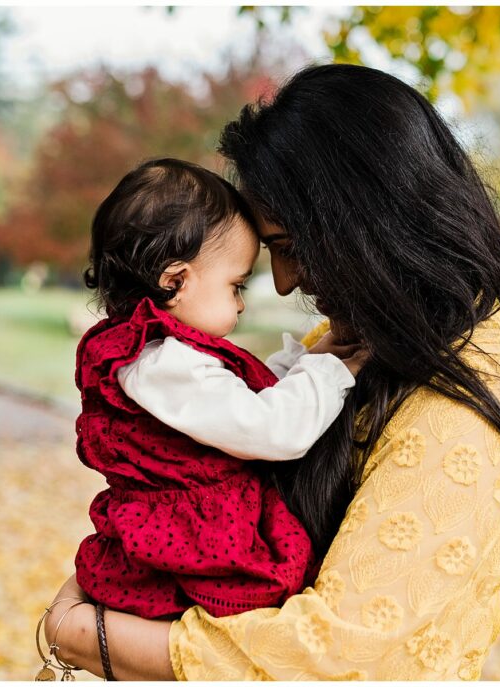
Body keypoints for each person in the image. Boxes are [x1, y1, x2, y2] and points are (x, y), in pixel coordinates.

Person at [43, 63, 500, 681]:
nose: (286, 282)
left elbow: (333, 655)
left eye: (289, 247)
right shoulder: (358, 340)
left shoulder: (473, 402)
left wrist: (87, 637)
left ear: (371, 222)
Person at [71, 157, 369, 623]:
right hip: (195, 544)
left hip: (198, 529)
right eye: (236, 285)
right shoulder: (157, 364)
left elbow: (237, 403)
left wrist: (312, 359)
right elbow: (271, 431)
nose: (242, 303)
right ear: (176, 281)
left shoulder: (163, 354)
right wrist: (332, 372)